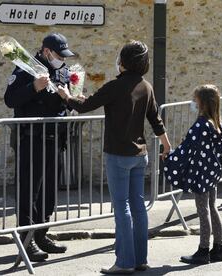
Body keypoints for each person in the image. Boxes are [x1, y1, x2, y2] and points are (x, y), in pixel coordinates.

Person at [57, 40, 172, 274]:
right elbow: (155, 119)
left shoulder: (115, 86)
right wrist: (166, 145)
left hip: (118, 154)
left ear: (124, 62)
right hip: (140, 155)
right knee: (138, 207)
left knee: (122, 208)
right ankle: (140, 259)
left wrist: (67, 96)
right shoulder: (146, 87)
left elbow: (85, 105)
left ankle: (124, 262)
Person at [4, 33, 74, 262]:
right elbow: (10, 100)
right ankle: (27, 240)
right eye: (57, 55)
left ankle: (42, 234)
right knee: (29, 193)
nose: (61, 60)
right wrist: (33, 87)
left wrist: (70, 98)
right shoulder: (25, 68)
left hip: (55, 139)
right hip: (32, 139)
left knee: (49, 192)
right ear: (46, 51)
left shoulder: (62, 72)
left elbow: (64, 107)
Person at [164, 84, 222, 265]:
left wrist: (169, 157)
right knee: (212, 208)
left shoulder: (201, 125)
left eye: (196, 100)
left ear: (203, 103)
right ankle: (219, 248)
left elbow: (186, 148)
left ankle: (203, 251)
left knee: (203, 210)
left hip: (201, 174)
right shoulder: (219, 124)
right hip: (212, 173)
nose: (194, 102)